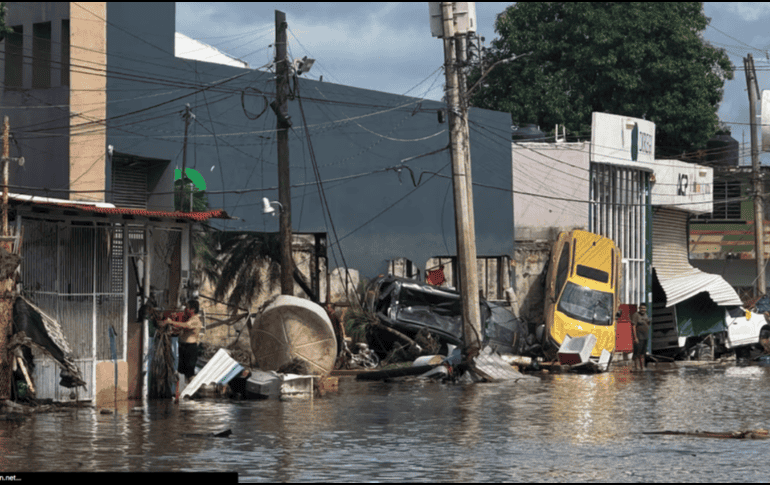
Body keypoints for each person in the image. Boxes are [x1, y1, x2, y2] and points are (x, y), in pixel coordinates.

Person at [160, 299, 203, 381]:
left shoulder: (195, 320)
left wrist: (171, 322)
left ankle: (189, 387)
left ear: (193, 309)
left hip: (190, 348)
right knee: (180, 371)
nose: (185, 309)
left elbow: (186, 325)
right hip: (183, 347)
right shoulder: (189, 318)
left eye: (187, 307)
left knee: (189, 373)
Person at [631, 303, 650, 370]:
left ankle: (642, 367)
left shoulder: (645, 315)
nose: (643, 309)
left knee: (643, 353)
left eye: (644, 308)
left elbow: (647, 323)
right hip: (639, 337)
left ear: (646, 309)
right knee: (637, 353)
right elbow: (633, 326)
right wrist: (635, 337)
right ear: (639, 308)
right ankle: (636, 367)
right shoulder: (636, 315)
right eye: (641, 308)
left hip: (645, 337)